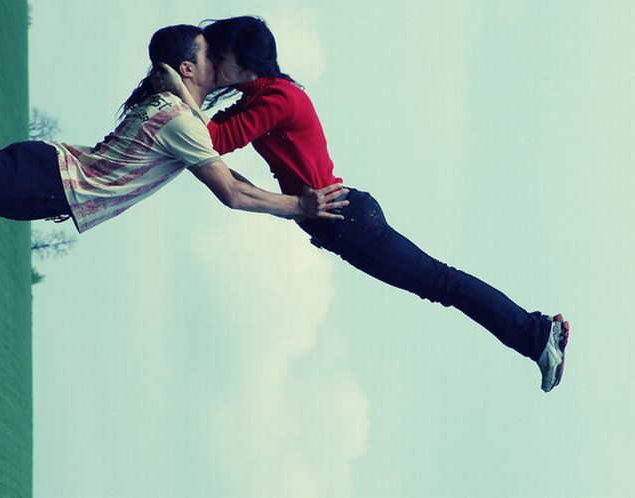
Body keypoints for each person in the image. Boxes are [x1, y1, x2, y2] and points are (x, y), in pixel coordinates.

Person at [152, 16, 570, 392]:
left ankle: (537, 335)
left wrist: (178, 90)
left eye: (219, 56)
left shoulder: (278, 98)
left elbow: (215, 139)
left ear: (243, 63)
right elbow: (209, 137)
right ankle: (535, 334)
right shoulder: (259, 98)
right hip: (346, 221)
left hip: (348, 221)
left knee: (441, 284)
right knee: (439, 283)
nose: (214, 65)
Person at [0, 25, 348, 234]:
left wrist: (292, 203)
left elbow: (224, 171)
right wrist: (298, 207)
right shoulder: (181, 121)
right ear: (187, 69)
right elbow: (232, 192)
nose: (221, 63)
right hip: (45, 181)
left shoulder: (179, 114)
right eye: (210, 56)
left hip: (43, 170)